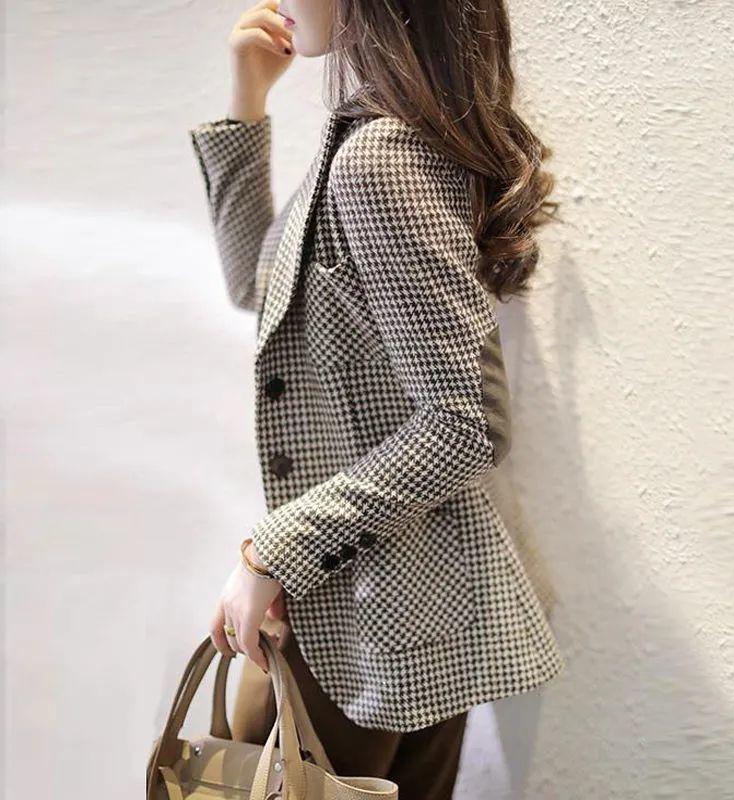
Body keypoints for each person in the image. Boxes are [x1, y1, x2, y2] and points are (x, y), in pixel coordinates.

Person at [188, 1, 565, 796]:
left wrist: (273, 551)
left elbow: (466, 423)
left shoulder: (378, 159)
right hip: (403, 615)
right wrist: (248, 99)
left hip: (359, 626)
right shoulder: (375, 143)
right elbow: (254, 281)